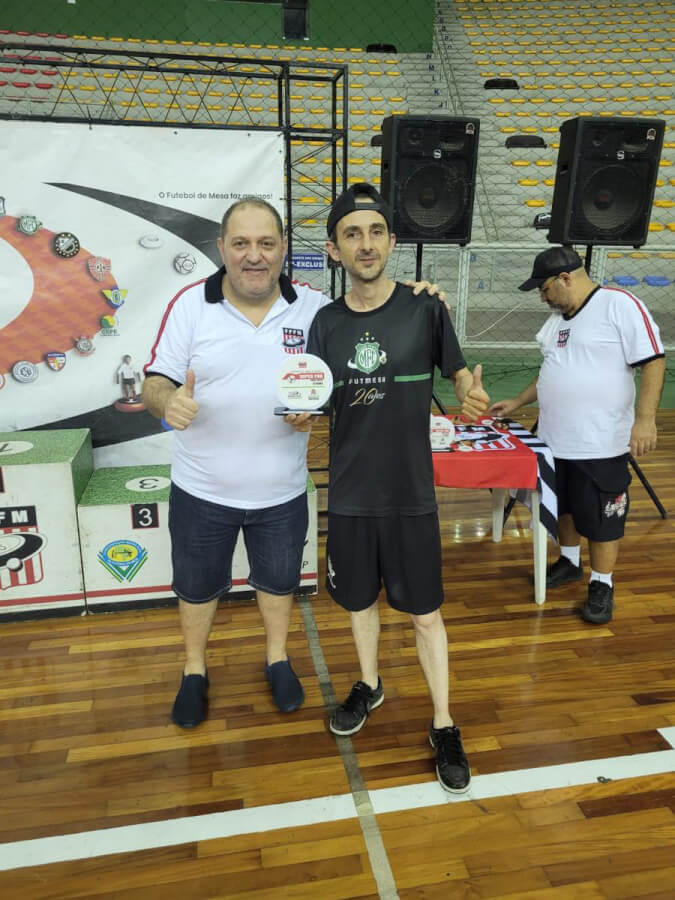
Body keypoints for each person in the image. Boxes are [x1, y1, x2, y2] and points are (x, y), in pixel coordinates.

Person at [142, 196, 449, 729]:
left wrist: (420, 294)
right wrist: (166, 402)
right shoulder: (190, 304)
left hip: (282, 489)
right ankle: (194, 670)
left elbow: (369, 310)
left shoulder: (312, 308)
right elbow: (154, 381)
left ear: (284, 248)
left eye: (266, 243)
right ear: (222, 247)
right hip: (202, 488)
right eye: (241, 243)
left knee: (278, 582)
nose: (254, 255)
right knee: (196, 588)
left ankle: (278, 659)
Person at [306, 183, 490, 793]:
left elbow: (458, 373)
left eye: (376, 232)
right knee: (358, 603)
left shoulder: (425, 307)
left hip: (411, 494)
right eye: (352, 234)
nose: (366, 244)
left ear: (391, 241)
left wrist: (468, 392)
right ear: (334, 249)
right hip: (351, 494)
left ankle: (444, 723)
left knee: (426, 615)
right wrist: (299, 413)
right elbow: (315, 399)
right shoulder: (325, 323)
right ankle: (370, 684)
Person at [490, 245, 665, 625]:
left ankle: (602, 584)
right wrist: (517, 401)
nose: (542, 298)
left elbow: (653, 361)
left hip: (600, 443)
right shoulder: (559, 320)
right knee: (564, 506)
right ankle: (569, 561)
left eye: (544, 289)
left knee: (603, 517)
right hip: (555, 440)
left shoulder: (618, 305)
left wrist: (645, 419)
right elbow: (550, 370)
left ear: (566, 278)